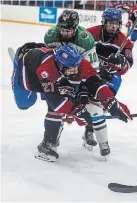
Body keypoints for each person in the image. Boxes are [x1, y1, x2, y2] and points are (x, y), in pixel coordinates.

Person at [11, 43, 132, 162]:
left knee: (62, 102)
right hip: (28, 74)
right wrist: (77, 111)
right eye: (71, 69)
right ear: (59, 66)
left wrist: (110, 101)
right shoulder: (46, 70)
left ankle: (47, 144)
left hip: (53, 80)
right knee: (25, 104)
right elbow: (56, 102)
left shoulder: (80, 64)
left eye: (76, 67)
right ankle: (19, 57)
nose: (75, 71)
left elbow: (95, 83)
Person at [44, 10, 101, 151]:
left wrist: (83, 89)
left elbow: (92, 71)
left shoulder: (85, 40)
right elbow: (47, 61)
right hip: (59, 76)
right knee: (55, 107)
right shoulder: (50, 36)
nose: (65, 33)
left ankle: (89, 131)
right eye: (62, 29)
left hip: (79, 76)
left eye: (69, 30)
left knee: (93, 103)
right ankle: (51, 140)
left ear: (76, 27)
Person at [86, 8, 133, 155]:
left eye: (117, 23)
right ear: (104, 22)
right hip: (92, 72)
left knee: (103, 101)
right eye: (111, 23)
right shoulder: (90, 33)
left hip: (112, 76)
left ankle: (89, 130)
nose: (114, 26)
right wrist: (96, 69)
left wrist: (120, 62)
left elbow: (128, 65)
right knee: (91, 101)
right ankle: (89, 128)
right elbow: (79, 53)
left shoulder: (124, 41)